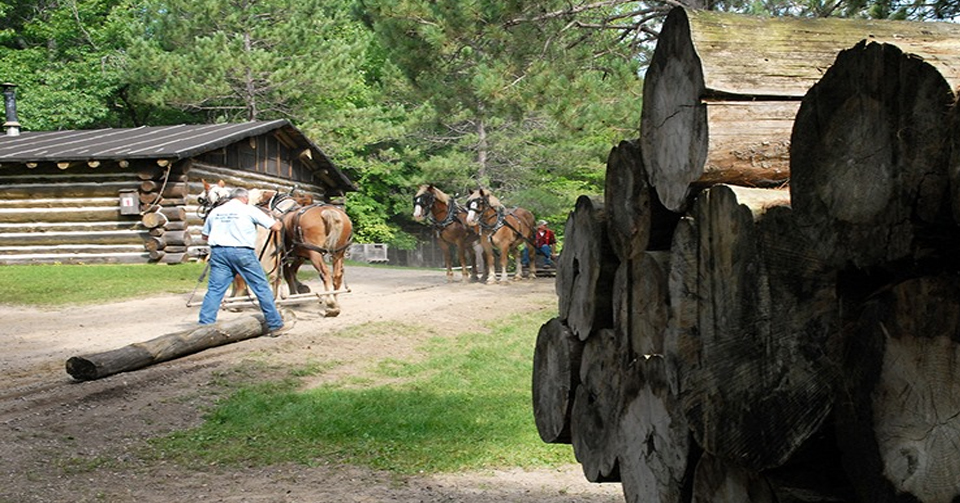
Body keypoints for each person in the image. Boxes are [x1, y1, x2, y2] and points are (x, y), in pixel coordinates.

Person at [198, 187, 288, 334]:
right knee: (261, 287)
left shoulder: (215, 211)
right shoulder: (249, 210)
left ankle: (205, 325)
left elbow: (205, 236)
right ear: (245, 198)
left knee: (215, 290)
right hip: (242, 252)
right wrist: (276, 219)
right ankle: (275, 324)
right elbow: (276, 227)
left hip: (219, 252)